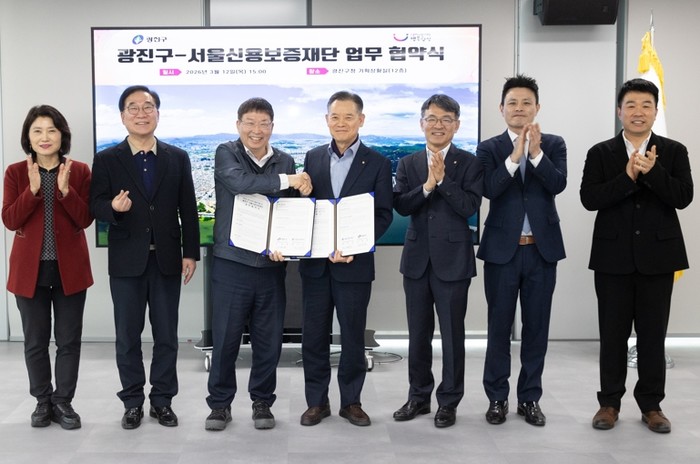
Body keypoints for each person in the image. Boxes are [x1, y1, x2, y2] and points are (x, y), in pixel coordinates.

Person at [580, 78, 693, 434]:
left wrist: (653, 172)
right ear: (619, 111)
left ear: (656, 112)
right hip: (612, 259)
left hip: (658, 258)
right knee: (612, 335)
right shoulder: (601, 152)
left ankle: (652, 406)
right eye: (631, 105)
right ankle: (609, 404)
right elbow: (590, 199)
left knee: (652, 337)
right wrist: (628, 175)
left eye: (646, 105)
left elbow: (683, 196)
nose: (638, 112)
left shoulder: (674, 151)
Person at [89, 85, 200, 430]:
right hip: (126, 262)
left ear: (157, 113)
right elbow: (95, 205)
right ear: (123, 116)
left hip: (167, 260)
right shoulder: (107, 159)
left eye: (148, 107)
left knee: (166, 336)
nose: (141, 113)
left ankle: (162, 401)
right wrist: (113, 207)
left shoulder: (176, 157)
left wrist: (190, 253)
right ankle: (132, 402)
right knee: (128, 337)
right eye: (133, 108)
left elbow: (188, 209)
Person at [204, 97, 312, 431]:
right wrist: (290, 180)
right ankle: (220, 405)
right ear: (238, 125)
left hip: (270, 266)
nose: (256, 130)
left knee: (269, 340)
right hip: (231, 262)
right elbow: (240, 184)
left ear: (272, 127)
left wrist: (287, 243)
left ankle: (262, 401)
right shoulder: (227, 152)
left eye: (263, 123)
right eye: (249, 123)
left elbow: (287, 210)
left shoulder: (285, 160)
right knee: (226, 339)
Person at [298, 91, 393, 427]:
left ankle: (351, 402)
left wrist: (355, 245)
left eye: (348, 117)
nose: (341, 123)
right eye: (335, 117)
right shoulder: (312, 158)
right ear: (327, 120)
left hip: (355, 265)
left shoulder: (378, 162)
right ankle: (316, 402)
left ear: (361, 120)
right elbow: (306, 208)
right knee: (314, 337)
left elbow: (383, 215)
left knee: (353, 337)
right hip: (316, 266)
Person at [477, 75, 567, 427]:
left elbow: (557, 184)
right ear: (501, 108)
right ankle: (497, 398)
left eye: (526, 102)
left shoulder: (554, 144)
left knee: (536, 329)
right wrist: (515, 157)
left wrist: (535, 153)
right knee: (498, 327)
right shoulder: (489, 148)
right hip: (502, 252)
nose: (519, 108)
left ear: (537, 107)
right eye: (512, 103)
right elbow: (489, 189)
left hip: (541, 251)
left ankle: (530, 398)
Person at [392, 94, 483, 428]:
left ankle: (449, 402)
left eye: (446, 119)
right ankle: (418, 397)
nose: (438, 125)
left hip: (454, 261)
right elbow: (402, 205)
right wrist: (428, 186)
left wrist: (443, 181)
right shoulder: (408, 163)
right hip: (417, 261)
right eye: (431, 118)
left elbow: (469, 207)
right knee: (418, 335)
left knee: (452, 335)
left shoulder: (470, 163)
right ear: (422, 124)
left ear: (456, 125)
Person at [2, 105, 93, 430]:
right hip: (30, 271)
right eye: (37, 131)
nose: (45, 137)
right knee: (35, 342)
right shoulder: (16, 172)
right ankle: (42, 401)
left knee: (68, 341)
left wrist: (66, 192)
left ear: (61, 135)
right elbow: (10, 220)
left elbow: (85, 219)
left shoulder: (79, 171)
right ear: (28, 137)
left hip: (70, 270)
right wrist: (32, 190)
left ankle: (63, 401)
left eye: (51, 130)